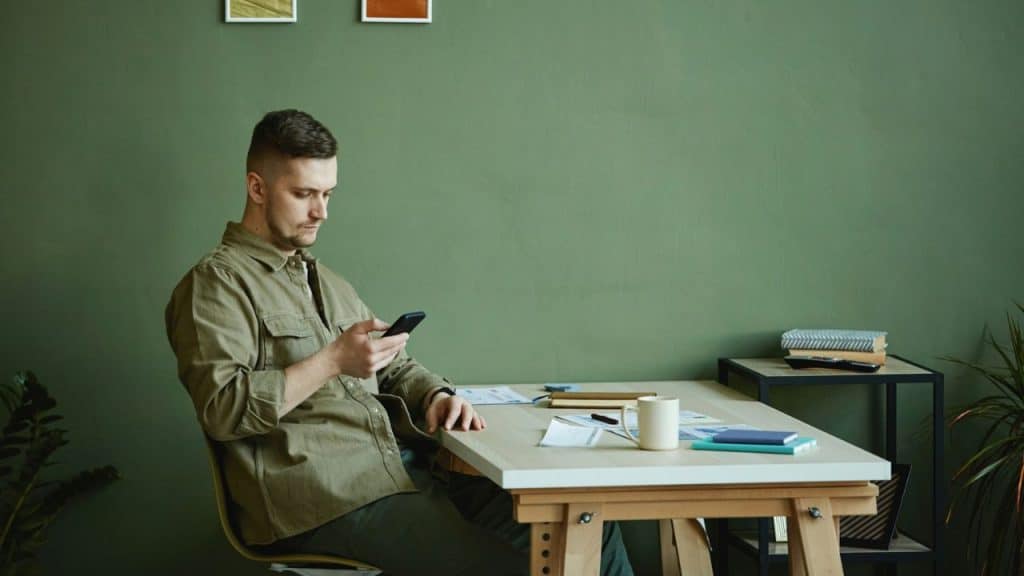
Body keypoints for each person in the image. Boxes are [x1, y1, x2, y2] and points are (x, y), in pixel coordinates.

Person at [165, 109, 634, 575]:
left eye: (328, 194)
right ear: (257, 188)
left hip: (403, 472)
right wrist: (331, 361)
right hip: (325, 499)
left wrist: (435, 393)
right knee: (529, 568)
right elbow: (223, 409)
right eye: (304, 194)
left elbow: (391, 364)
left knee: (587, 527)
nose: (321, 212)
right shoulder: (215, 284)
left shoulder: (324, 279)